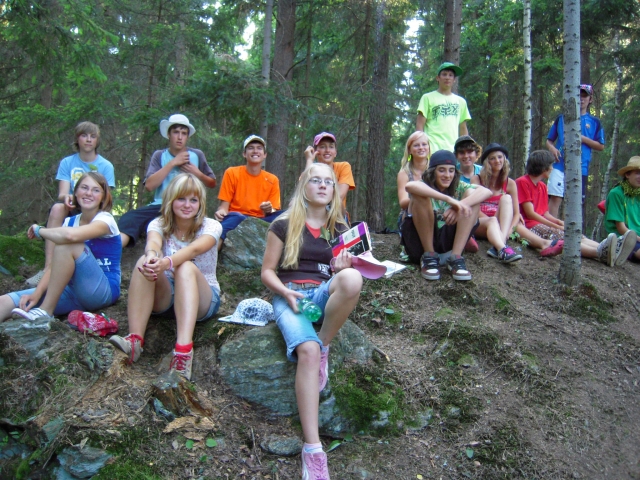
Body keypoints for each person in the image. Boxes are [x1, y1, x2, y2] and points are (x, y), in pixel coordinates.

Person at [261, 163, 362, 480]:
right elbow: (267, 272)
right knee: (307, 350)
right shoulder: (283, 224)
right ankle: (313, 450)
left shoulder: (339, 227)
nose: (322, 185)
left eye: (328, 182)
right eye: (315, 180)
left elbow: (342, 275)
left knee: (352, 279)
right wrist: (285, 294)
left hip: (320, 292)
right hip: (290, 295)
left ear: (334, 189)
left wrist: (342, 268)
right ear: (303, 185)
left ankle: (325, 345)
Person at [109, 174, 221, 380]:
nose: (187, 205)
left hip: (203, 298)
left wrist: (168, 262)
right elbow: (153, 243)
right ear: (171, 200)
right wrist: (152, 256)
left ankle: (183, 352)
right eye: (181, 198)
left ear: (200, 203)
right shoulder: (158, 223)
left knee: (185, 267)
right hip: (167, 297)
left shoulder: (211, 226)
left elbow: (195, 249)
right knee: (143, 261)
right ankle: (134, 341)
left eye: (193, 200)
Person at [2, 173, 121, 321]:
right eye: (84, 188)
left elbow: (71, 236)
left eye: (96, 190)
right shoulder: (69, 222)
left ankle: (45, 310)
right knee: (6, 301)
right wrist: (37, 293)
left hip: (102, 291)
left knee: (68, 245)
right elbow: (54, 266)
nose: (89, 193)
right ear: (75, 192)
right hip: (71, 291)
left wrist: (40, 231)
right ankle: (42, 307)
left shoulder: (105, 220)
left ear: (103, 197)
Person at [25, 122, 115, 287]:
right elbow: (62, 193)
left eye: (92, 136)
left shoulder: (106, 166)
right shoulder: (67, 162)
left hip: (95, 210)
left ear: (97, 140)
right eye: (84, 135)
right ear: (77, 139)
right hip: (73, 205)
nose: (88, 140)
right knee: (57, 208)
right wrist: (69, 197)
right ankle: (48, 268)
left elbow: (107, 197)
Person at [516, 150, 634, 266]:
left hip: (540, 222)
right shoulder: (523, 182)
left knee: (575, 233)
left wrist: (559, 222)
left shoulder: (542, 186)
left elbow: (545, 213)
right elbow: (530, 214)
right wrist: (556, 226)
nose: (552, 168)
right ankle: (599, 253)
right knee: (564, 236)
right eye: (550, 165)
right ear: (543, 168)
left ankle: (612, 250)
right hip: (529, 225)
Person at [118, 114, 216, 248]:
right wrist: (172, 163)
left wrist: (196, 173)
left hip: (188, 206)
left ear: (188, 136)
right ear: (169, 134)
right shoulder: (160, 155)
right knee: (129, 219)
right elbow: (149, 186)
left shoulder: (196, 155)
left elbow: (212, 183)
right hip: (161, 206)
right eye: (176, 132)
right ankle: (113, 252)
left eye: (184, 133)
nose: (180, 137)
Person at [401, 150, 492, 281]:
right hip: (420, 247)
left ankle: (455, 258)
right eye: (442, 170)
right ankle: (429, 256)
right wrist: (449, 200)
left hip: (447, 246)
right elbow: (410, 186)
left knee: (473, 197)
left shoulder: (459, 186)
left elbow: (486, 191)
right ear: (433, 171)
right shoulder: (424, 184)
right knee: (420, 196)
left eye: (451, 170)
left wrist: (458, 207)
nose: (447, 175)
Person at [546, 84, 605, 218]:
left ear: (590, 99)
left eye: (584, 95)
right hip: (559, 165)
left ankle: (573, 230)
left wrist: (582, 138)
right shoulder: (561, 118)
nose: (581, 99)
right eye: (578, 95)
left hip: (580, 168)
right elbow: (549, 140)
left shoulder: (594, 122)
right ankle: (551, 229)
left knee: (575, 203)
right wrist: (552, 148)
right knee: (555, 197)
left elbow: (601, 146)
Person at [215, 135, 282, 250]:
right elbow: (224, 207)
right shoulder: (232, 173)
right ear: (244, 154)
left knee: (286, 216)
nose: (255, 151)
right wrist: (221, 212)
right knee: (234, 219)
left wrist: (269, 209)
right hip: (237, 217)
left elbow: (274, 210)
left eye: (259, 148)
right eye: (251, 148)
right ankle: (211, 255)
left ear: (265, 155)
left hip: (261, 219)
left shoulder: (272, 179)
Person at [470, 143, 522, 262]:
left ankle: (500, 245)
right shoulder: (476, 179)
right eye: (492, 158)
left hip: (500, 225)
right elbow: (474, 207)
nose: (497, 161)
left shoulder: (510, 183)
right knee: (492, 220)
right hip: (481, 223)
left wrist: (509, 230)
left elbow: (516, 214)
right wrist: (492, 221)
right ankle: (502, 248)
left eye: (500, 157)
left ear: (504, 159)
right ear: (487, 162)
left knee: (506, 198)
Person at [416, 62, 471, 153]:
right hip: (432, 150)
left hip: (453, 151)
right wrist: (421, 148)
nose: (447, 77)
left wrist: (465, 149)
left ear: (454, 79)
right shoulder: (427, 98)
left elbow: (463, 128)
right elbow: (419, 126)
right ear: (438, 78)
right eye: (444, 74)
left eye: (450, 75)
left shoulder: (461, 101)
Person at [304, 132, 355, 220]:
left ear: (335, 152)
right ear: (315, 151)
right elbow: (302, 194)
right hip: (313, 215)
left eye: (331, 147)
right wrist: (309, 160)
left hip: (336, 214)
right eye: (322, 147)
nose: (327, 150)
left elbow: (340, 196)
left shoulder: (343, 167)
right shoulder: (310, 170)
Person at [604, 156, 640, 263]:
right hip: (624, 239)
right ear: (627, 174)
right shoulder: (616, 193)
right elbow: (621, 228)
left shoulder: (638, 194)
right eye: (637, 173)